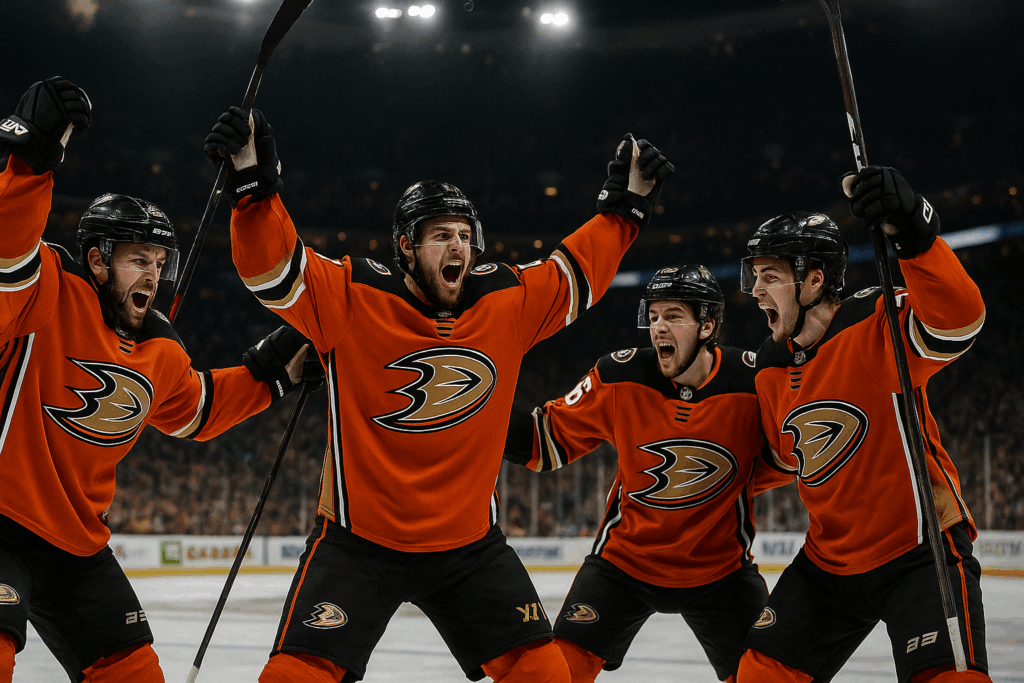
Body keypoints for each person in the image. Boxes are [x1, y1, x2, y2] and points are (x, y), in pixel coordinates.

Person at [203, 104, 673, 682]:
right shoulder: (353, 296)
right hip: (357, 545)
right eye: (440, 236)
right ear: (406, 246)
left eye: (463, 236)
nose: (459, 247)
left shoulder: (506, 301)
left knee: (544, 673)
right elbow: (271, 270)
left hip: (468, 549)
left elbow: (576, 272)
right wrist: (254, 187)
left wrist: (625, 209)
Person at [0, 77, 314, 683]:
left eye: (160, 261)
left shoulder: (159, 348)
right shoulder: (47, 288)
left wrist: (277, 366)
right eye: (137, 258)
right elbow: (7, 256)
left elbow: (201, 408)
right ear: (96, 260)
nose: (155, 273)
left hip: (79, 549)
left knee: (137, 674)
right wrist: (31, 162)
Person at [736, 167, 990, 682]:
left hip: (918, 552)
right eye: (754, 276)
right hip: (828, 564)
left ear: (812, 279)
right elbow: (787, 458)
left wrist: (917, 241)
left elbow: (959, 322)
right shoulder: (769, 363)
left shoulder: (875, 320)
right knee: (760, 674)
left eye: (769, 276)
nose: (755, 291)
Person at [502, 264, 793, 683]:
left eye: (673, 316)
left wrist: (735, 485)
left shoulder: (753, 382)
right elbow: (542, 444)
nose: (658, 327)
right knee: (553, 676)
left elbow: (787, 458)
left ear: (708, 324)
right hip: (623, 566)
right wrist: (477, 415)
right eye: (653, 316)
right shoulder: (618, 376)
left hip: (721, 574)